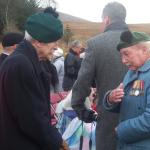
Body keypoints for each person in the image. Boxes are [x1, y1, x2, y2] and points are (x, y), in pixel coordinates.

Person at [0, 10, 68, 150]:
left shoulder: (28, 61)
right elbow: (31, 119)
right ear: (38, 42)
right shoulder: (20, 65)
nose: (56, 46)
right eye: (53, 41)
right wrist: (56, 141)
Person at [71, 2, 128, 150]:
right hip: (142, 121)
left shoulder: (96, 44)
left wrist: (81, 110)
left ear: (107, 19)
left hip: (109, 120)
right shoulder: (144, 44)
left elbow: (82, 82)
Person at [103, 31, 150, 150]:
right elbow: (131, 101)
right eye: (121, 55)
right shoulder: (133, 71)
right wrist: (111, 98)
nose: (123, 60)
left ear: (144, 50)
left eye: (126, 54)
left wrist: (121, 130)